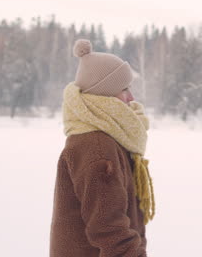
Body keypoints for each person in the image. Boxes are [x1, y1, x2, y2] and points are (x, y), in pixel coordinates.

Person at [50, 39, 155, 257]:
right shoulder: (96, 147)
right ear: (104, 95)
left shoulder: (105, 138)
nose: (131, 97)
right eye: (124, 89)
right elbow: (109, 230)